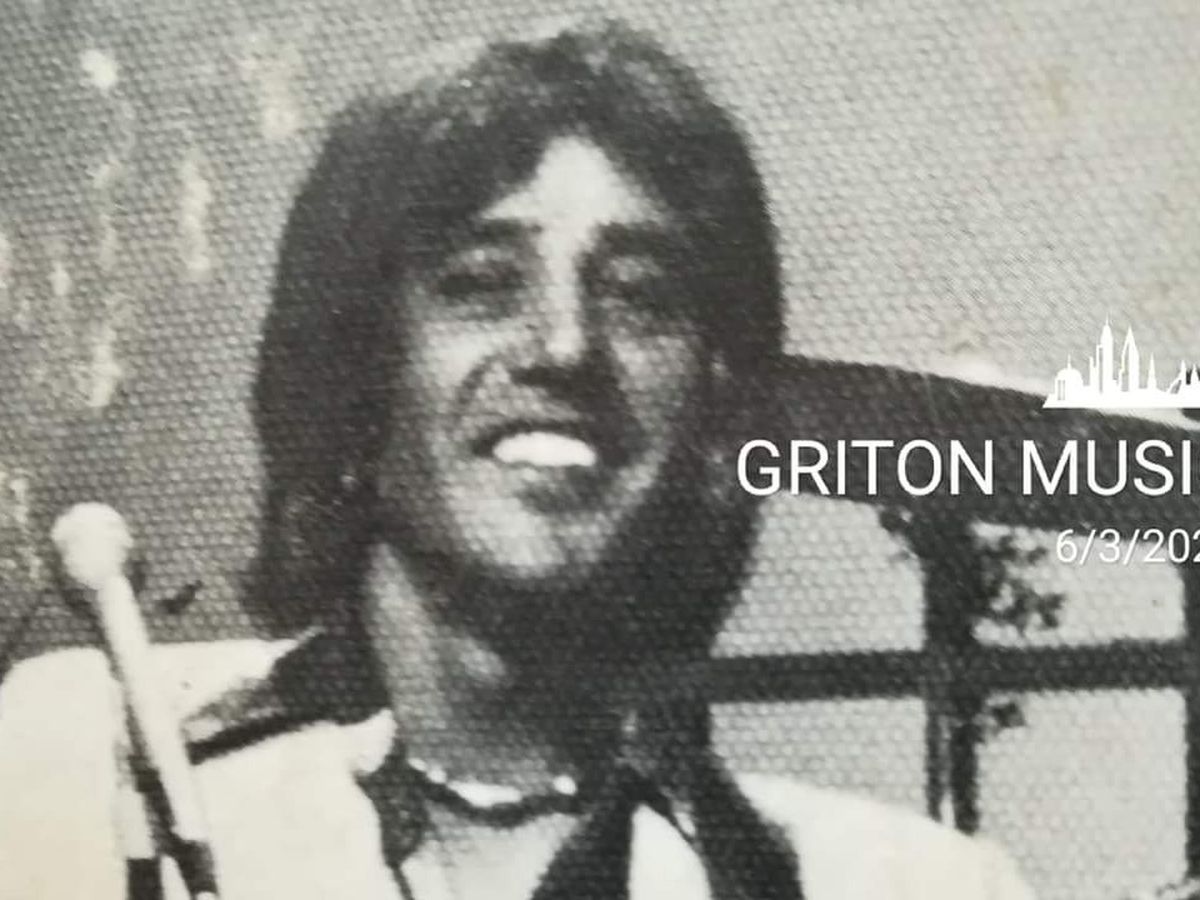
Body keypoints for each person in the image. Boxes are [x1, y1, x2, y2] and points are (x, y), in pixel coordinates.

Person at [0, 19, 1034, 900]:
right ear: (355, 369)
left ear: (714, 411)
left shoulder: (904, 884)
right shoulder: (88, 765)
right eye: (481, 283)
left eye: (640, 295)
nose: (567, 347)